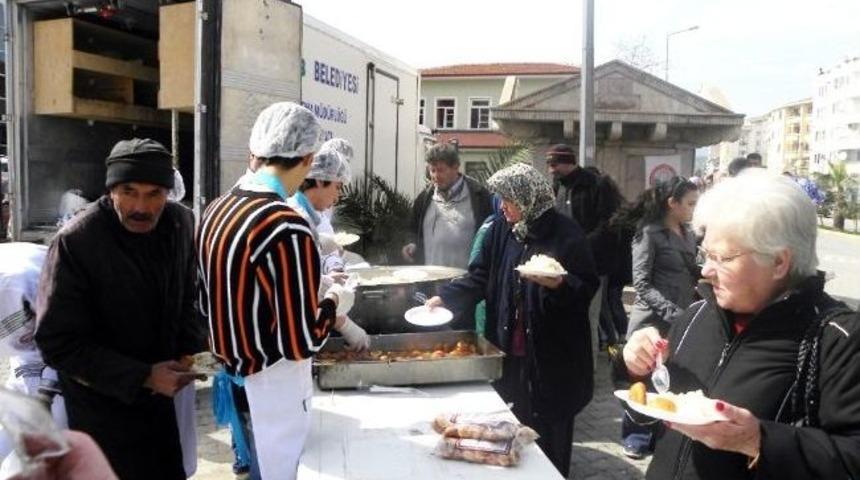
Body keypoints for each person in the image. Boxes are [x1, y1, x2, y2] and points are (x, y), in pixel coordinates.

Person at [620, 170, 860, 479]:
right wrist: (638, 369)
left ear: (778, 262)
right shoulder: (696, 315)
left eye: (723, 258)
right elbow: (652, 415)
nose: (705, 271)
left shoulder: (838, 339)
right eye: (705, 254)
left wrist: (758, 441)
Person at [197, 102, 369, 480]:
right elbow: (301, 340)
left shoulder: (216, 210)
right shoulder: (286, 225)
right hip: (275, 383)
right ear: (308, 159)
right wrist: (334, 300)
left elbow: (207, 300)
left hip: (234, 372)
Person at [35, 138, 207, 480]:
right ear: (111, 189)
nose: (141, 207)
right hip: (103, 414)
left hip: (160, 411)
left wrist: (195, 351)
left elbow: (186, 298)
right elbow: (57, 342)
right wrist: (142, 376)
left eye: (154, 194)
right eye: (129, 191)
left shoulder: (180, 224)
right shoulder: (77, 241)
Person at [426, 163, 599, 477]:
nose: (502, 206)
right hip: (509, 353)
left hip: (552, 361)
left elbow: (586, 287)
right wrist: (446, 298)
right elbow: (480, 276)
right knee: (508, 438)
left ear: (528, 197)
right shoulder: (501, 230)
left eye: (508, 199)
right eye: (500, 199)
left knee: (550, 442)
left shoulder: (567, 234)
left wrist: (559, 285)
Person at [613, 176, 700, 459]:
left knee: (668, 379)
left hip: (680, 318)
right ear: (672, 203)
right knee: (642, 379)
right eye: (690, 203)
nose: (694, 209)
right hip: (651, 318)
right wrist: (672, 312)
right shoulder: (648, 232)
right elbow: (641, 284)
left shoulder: (688, 233)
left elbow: (690, 273)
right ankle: (635, 436)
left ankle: (661, 434)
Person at [547, 145, 621, 360]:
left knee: (589, 318)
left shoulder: (597, 185)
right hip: (561, 265)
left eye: (554, 164)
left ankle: (589, 369)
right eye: (549, 165)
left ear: (569, 162)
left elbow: (609, 225)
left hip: (592, 266)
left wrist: (581, 246)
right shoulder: (557, 186)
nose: (551, 170)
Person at [0, 243, 67, 473]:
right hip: (28, 354)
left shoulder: (21, 279)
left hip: (72, 350)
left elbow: (70, 336)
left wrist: (47, 392)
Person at [402, 143, 493, 268]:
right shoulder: (424, 198)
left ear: (455, 167)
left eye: (440, 170)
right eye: (432, 170)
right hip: (430, 278)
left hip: (466, 278)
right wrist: (411, 244)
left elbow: (491, 239)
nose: (436, 176)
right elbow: (412, 230)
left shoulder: (479, 196)